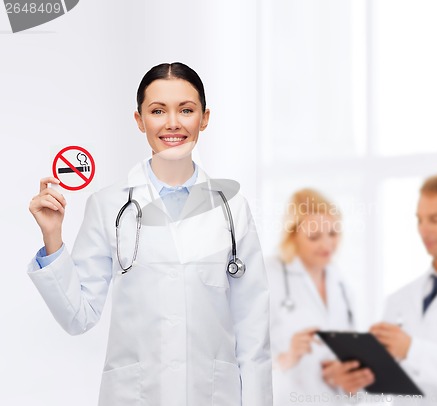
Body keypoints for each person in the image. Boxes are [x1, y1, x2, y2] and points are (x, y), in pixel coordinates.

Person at [27, 62, 273, 405]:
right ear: (140, 120)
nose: (173, 123)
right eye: (158, 111)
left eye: (186, 110)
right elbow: (77, 316)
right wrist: (52, 236)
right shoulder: (107, 205)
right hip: (136, 395)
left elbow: (253, 331)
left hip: (214, 394)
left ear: (204, 118)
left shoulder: (232, 208)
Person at [334, 174, 437, 404]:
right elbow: (383, 391)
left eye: (435, 219)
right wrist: (355, 385)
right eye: (419, 220)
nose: (423, 230)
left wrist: (412, 350)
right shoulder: (399, 299)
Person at [266, 188, 356, 405]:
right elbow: (243, 354)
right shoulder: (269, 274)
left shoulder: (339, 281)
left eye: (333, 233)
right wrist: (287, 357)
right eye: (314, 236)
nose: (327, 245)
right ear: (293, 235)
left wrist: (344, 373)